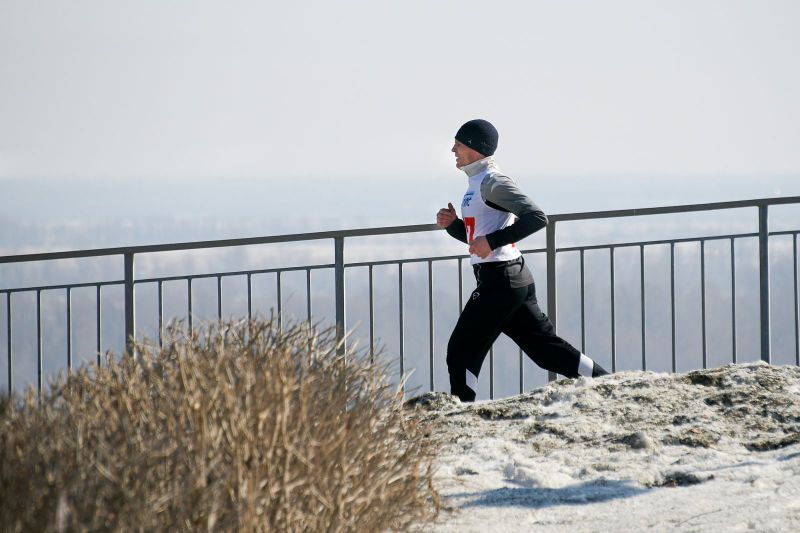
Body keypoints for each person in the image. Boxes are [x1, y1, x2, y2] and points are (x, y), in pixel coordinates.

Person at [436, 119, 608, 402]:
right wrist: (453, 225)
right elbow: (478, 240)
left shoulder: (492, 182)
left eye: (458, 144)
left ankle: (461, 414)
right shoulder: (477, 182)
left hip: (501, 281)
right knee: (545, 351)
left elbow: (537, 218)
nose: (453, 150)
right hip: (509, 279)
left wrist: (492, 241)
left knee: (461, 350)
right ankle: (608, 384)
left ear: (474, 147)